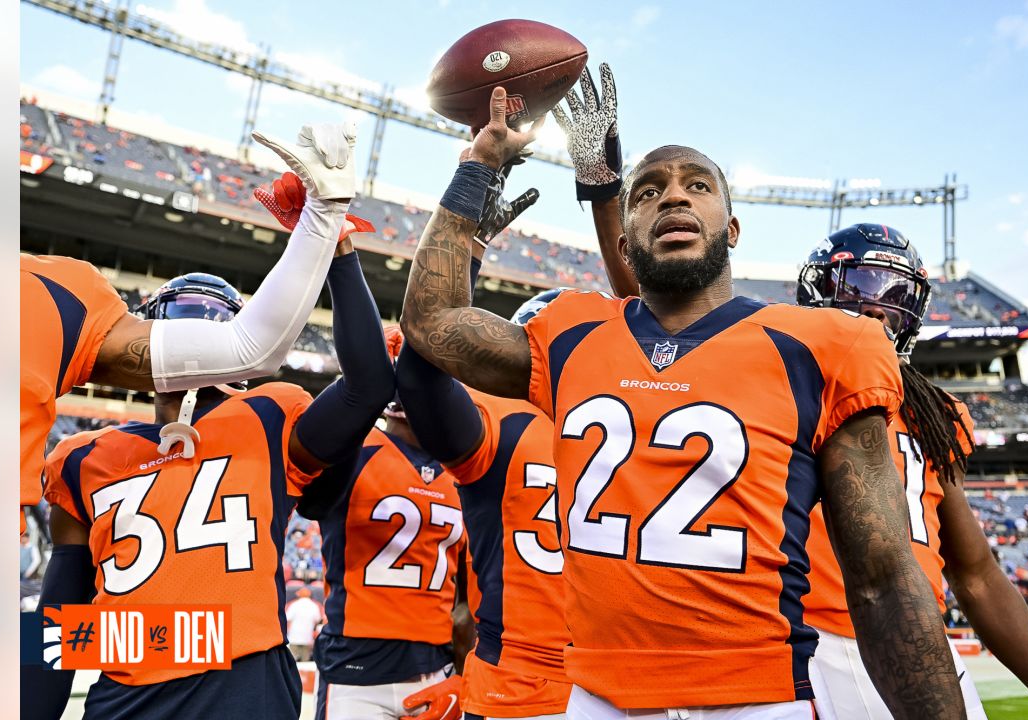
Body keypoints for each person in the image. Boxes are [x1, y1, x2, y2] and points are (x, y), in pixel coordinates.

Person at [401, 85, 966, 717]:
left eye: (697, 185)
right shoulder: (570, 331)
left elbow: (885, 581)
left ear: (732, 228)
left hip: (755, 699)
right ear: (625, 244)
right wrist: (477, 167)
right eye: (648, 191)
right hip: (591, 697)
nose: (673, 194)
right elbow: (433, 321)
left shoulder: (822, 343)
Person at [23, 185, 395, 720]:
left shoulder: (88, 456)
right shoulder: (263, 416)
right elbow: (368, 386)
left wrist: (184, 636)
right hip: (236, 686)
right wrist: (334, 245)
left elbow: (56, 631)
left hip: (160, 694)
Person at [792, 224, 1028, 720]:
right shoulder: (782, 380)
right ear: (818, 289)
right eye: (859, 287)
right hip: (811, 639)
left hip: (921, 638)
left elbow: (974, 573)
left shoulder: (935, 412)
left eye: (896, 295)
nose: (876, 308)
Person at [21, 122, 358, 529]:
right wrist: (323, 217)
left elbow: (254, 349)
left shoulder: (54, 295)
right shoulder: (84, 455)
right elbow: (251, 346)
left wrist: (327, 220)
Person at [394, 179, 574, 720]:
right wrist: (466, 248)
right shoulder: (498, 418)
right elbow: (424, 368)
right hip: (524, 685)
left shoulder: (634, 415)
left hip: (618, 678)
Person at [311, 327, 473, 720]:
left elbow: (467, 599)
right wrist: (358, 384)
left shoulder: (465, 468)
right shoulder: (356, 448)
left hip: (436, 669)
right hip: (356, 670)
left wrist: (466, 675)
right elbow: (314, 447)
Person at [287, 587, 326, 663]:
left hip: (294, 638)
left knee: (292, 663)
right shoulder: (314, 606)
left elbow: (288, 620)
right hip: (307, 638)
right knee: (305, 663)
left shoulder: (294, 605)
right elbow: (317, 621)